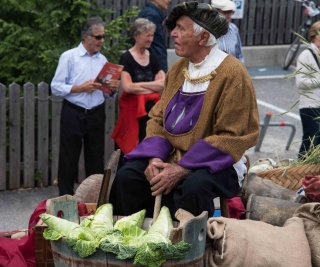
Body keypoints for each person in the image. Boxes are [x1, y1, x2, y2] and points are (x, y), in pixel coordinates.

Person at [110, 1, 259, 219]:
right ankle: (129, 241)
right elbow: (157, 118)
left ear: (203, 37)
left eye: (181, 28)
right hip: (169, 155)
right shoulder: (178, 69)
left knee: (193, 187)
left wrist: (182, 169)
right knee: (128, 177)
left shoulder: (233, 74)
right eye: (174, 28)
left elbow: (232, 136)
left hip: (217, 162)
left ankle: (188, 250)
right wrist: (154, 158)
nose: (173, 34)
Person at [51, 17, 120, 196]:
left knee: (95, 158)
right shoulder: (69, 57)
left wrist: (111, 90)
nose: (102, 41)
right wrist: (80, 88)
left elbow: (105, 93)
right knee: (68, 157)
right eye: (98, 37)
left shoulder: (103, 60)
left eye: (103, 37)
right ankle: (65, 198)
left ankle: (93, 198)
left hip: (96, 112)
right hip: (74, 111)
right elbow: (56, 86)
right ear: (86, 37)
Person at [111, 18, 165, 161]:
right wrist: (152, 86)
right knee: (128, 149)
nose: (151, 39)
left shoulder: (153, 57)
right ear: (136, 35)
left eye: (152, 35)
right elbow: (128, 87)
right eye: (147, 35)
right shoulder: (126, 58)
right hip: (131, 112)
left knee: (147, 145)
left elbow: (163, 84)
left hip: (151, 112)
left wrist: (140, 85)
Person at [296, 21, 320, 159]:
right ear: (314, 36)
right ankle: (300, 175)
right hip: (310, 106)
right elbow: (301, 83)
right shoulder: (306, 55)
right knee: (310, 144)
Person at [138, 0, 171, 72]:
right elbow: (142, 41)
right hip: (153, 67)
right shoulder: (152, 15)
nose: (169, 0)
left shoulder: (151, 13)